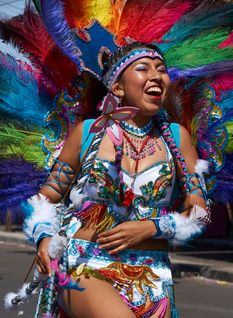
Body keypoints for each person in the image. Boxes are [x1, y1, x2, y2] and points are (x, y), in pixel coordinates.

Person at [27, 42, 209, 318]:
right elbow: (46, 196)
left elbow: (199, 213)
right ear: (118, 87)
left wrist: (152, 227)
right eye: (143, 68)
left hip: (152, 277)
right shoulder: (88, 133)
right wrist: (43, 237)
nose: (156, 76)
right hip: (83, 264)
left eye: (161, 69)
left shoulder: (178, 138)